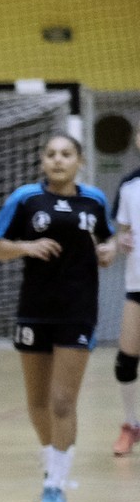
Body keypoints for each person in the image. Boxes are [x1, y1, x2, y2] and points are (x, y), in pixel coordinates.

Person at [0, 133, 114, 502]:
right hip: (34, 310)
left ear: (80, 161)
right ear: (42, 161)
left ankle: (56, 485)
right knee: (38, 402)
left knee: (62, 401)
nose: (58, 160)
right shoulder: (25, 199)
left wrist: (107, 251)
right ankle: (52, 459)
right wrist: (26, 247)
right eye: (51, 154)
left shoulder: (94, 200)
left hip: (77, 310)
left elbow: (107, 243)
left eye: (66, 154)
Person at [110, 149, 140, 455]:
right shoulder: (129, 186)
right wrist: (120, 241)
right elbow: (123, 233)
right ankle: (131, 424)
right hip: (137, 285)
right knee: (125, 362)